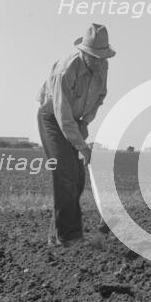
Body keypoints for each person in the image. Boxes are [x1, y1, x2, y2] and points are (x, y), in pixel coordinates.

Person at [37, 23, 115, 246]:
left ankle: (56, 233)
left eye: (102, 57)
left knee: (78, 179)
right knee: (65, 171)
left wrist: (85, 123)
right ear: (84, 52)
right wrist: (82, 145)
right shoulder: (66, 70)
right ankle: (69, 236)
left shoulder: (102, 67)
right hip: (52, 118)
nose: (99, 61)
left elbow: (99, 98)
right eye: (95, 57)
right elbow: (62, 114)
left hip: (76, 121)